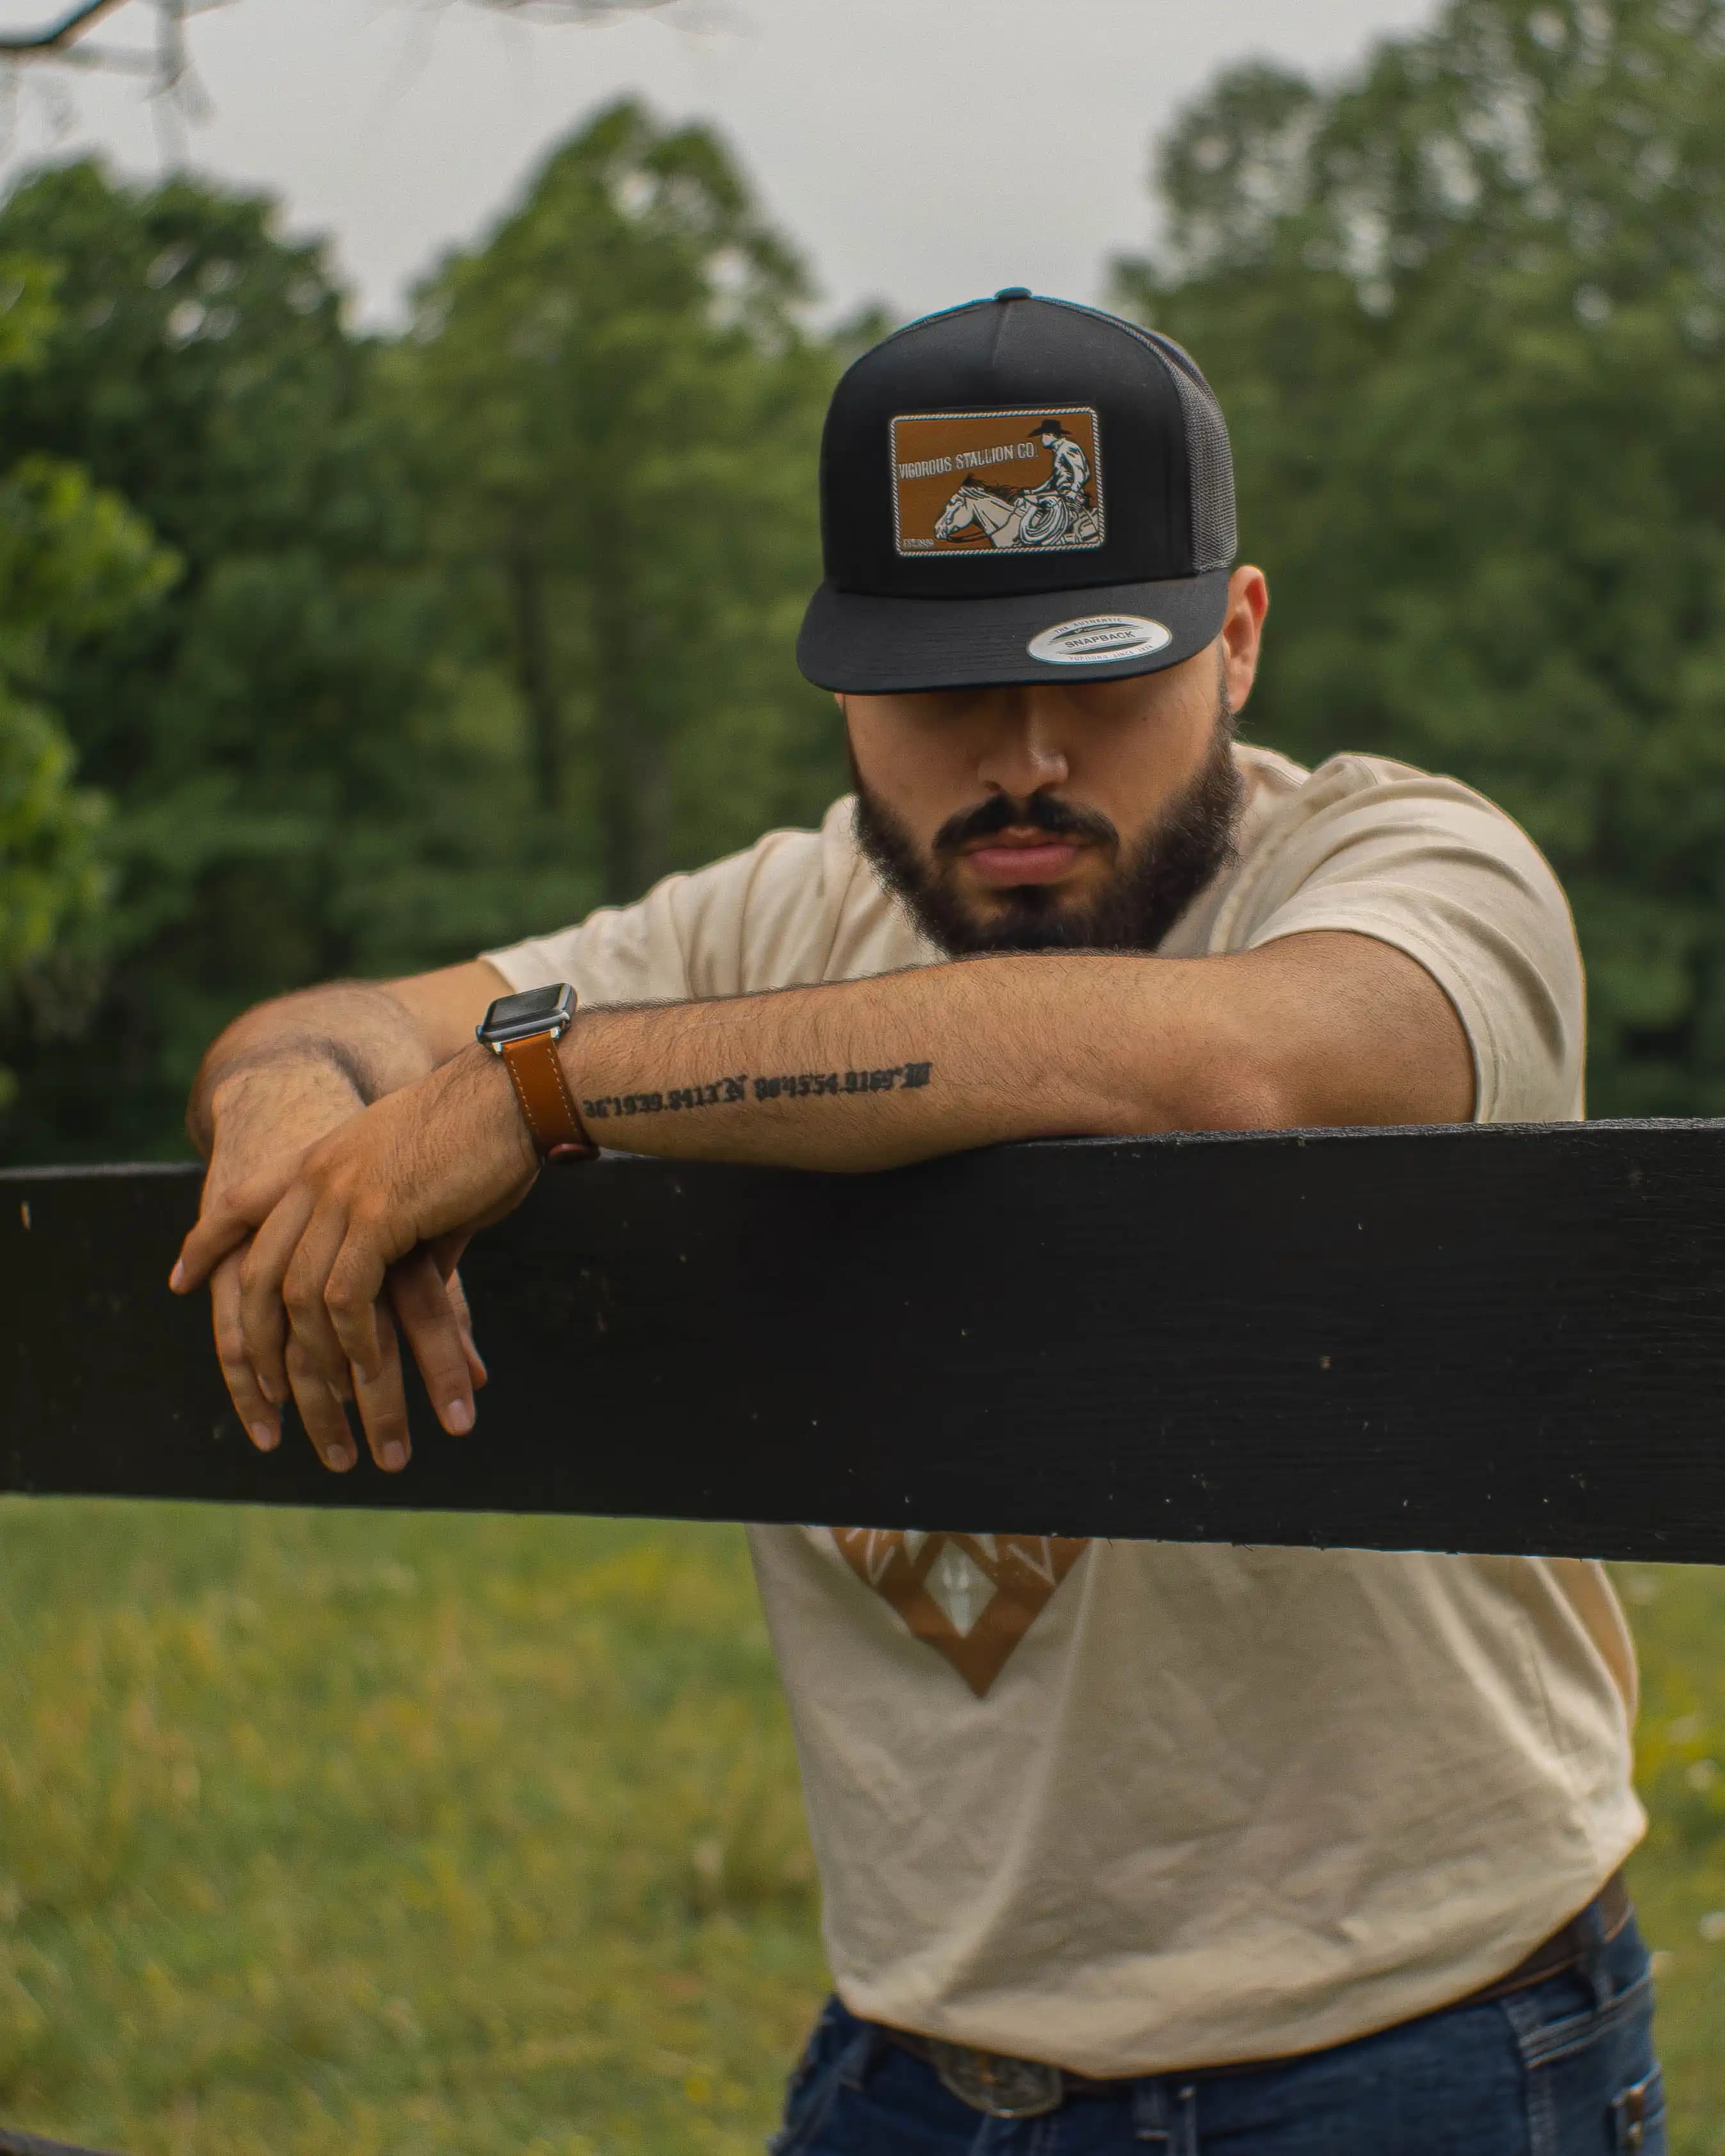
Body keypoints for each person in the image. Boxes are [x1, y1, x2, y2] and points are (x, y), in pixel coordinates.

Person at [172, 291, 1662, 2154]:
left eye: (1103, 668)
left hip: (1406, 2041)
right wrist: (298, 1103)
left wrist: (542, 1089)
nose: (1025, 755)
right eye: (944, 684)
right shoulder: (762, 929)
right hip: (917, 2061)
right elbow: (322, 1029)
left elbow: (1252, 1068)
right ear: (844, 683)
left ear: (1242, 641)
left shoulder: (1408, 864)